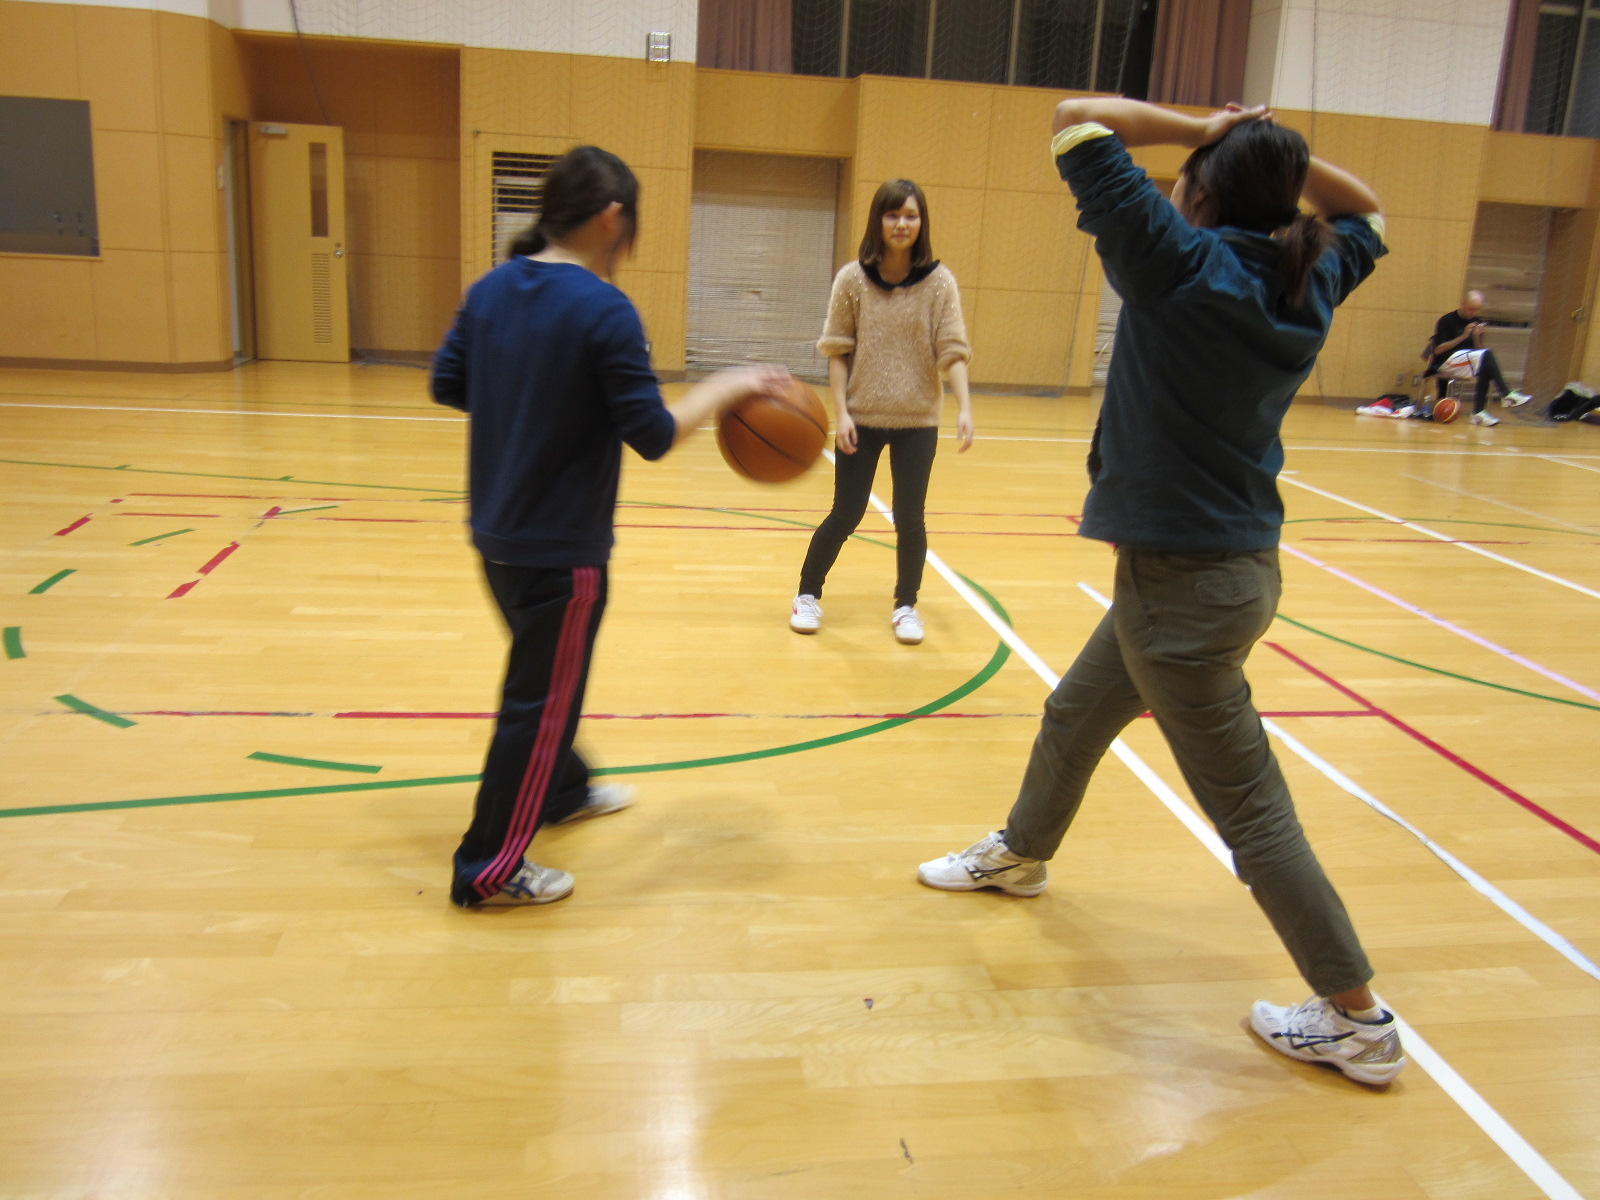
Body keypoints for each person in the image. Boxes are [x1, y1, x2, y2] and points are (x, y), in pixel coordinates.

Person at [917, 99, 1408, 1085]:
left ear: (1201, 190)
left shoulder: (1176, 261)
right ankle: (1021, 850)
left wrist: (1208, 125)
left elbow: (1073, 119)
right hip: (1224, 577)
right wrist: (1250, 150)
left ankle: (1357, 1019)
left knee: (1254, 814)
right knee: (1076, 710)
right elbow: (1373, 211)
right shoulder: (1307, 271)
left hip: (1181, 602)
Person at [432, 146, 781, 908]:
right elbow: (653, 434)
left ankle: (563, 787)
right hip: (563, 552)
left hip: (495, 535)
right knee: (539, 700)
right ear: (613, 217)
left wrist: (530, 408)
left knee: (543, 682)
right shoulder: (602, 308)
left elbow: (448, 383)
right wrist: (727, 385)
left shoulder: (491, 289)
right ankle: (488, 867)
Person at [788, 180, 973, 646]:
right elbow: (837, 351)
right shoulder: (852, 279)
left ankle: (906, 605)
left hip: (918, 421)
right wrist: (842, 413)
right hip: (862, 420)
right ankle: (807, 595)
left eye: (911, 215)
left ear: (921, 222)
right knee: (845, 513)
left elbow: (952, 350)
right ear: (879, 220)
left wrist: (965, 407)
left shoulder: (940, 283)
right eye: (893, 215)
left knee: (910, 518)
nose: (902, 224)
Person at [1423, 290, 1531, 426]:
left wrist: (1476, 337)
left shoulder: (1476, 321)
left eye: (1477, 310)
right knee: (1487, 355)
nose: (1473, 313)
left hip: (1465, 363)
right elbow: (1438, 350)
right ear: (1463, 304)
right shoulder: (1446, 320)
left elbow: (1480, 352)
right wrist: (1463, 335)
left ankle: (1478, 413)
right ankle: (1506, 393)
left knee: (1485, 366)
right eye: (1471, 309)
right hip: (1445, 363)